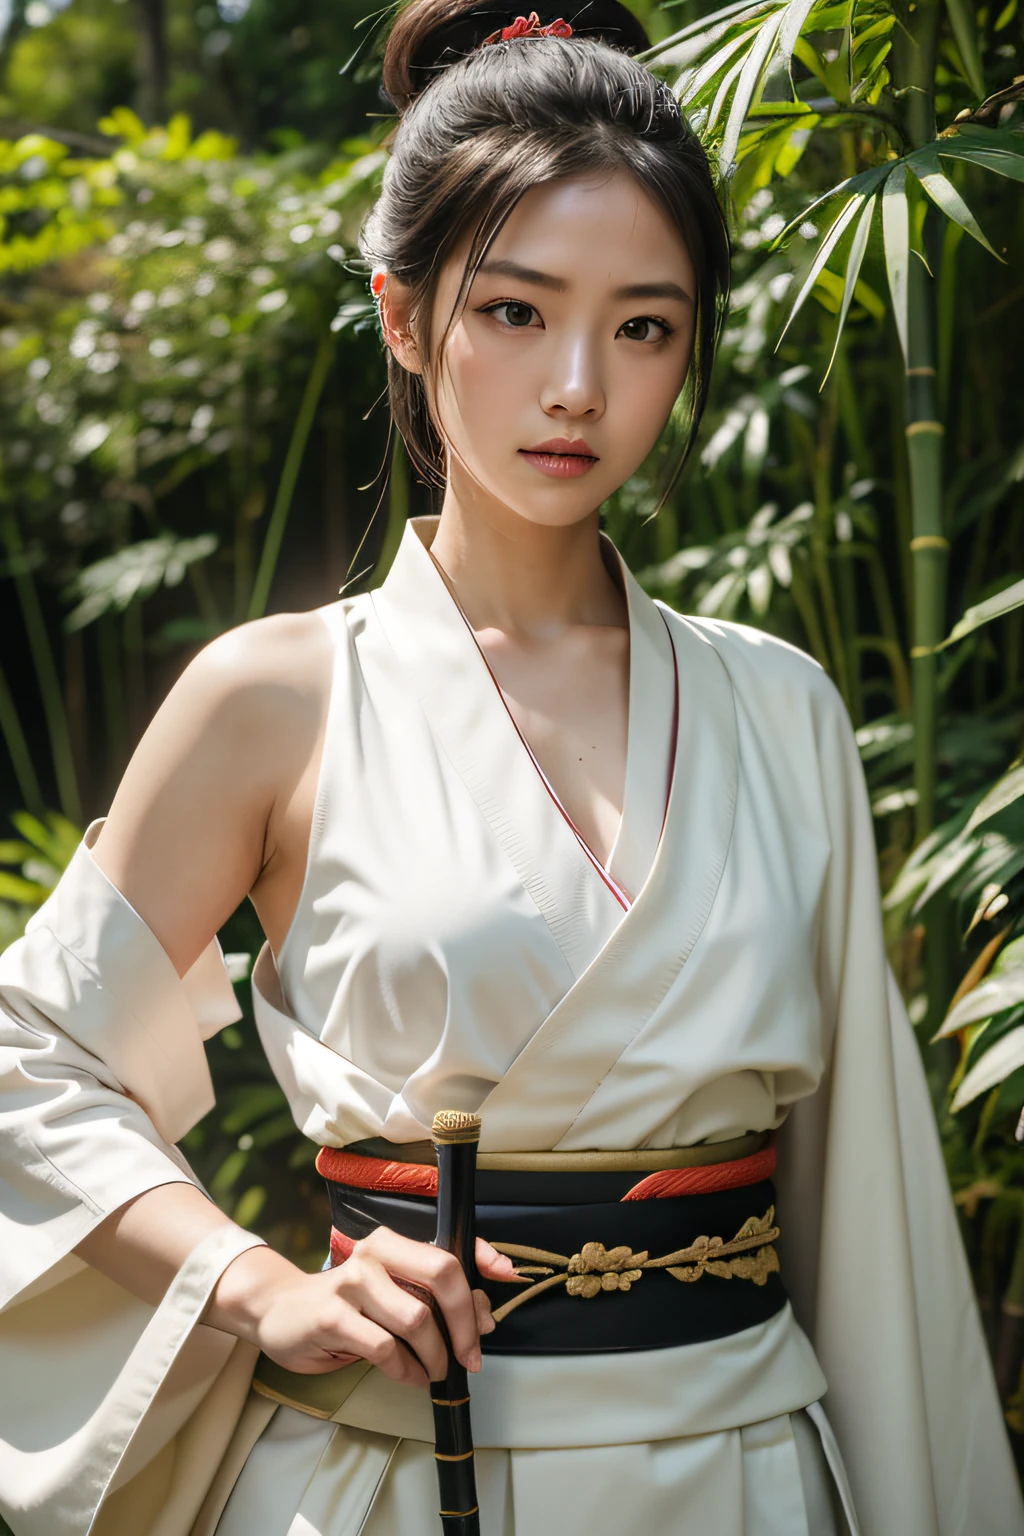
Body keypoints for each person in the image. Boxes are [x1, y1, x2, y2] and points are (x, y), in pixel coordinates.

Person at [0, 2, 1020, 1532]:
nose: (577, 389)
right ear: (404, 317)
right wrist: (253, 1282)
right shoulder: (276, 696)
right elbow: (31, 1056)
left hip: (743, 1472)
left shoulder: (782, 707)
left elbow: (861, 1202)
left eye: (644, 326)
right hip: (400, 1469)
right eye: (516, 312)